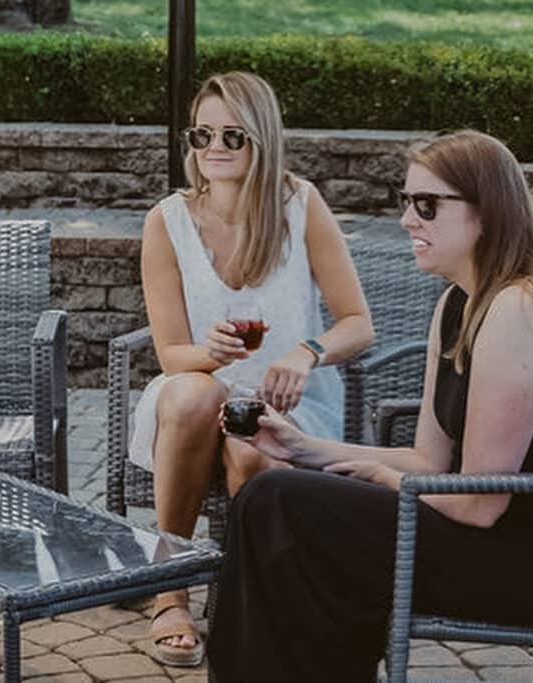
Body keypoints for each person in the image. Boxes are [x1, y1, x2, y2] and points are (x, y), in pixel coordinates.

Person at [207, 129, 533, 682]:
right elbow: (429, 461)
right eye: (406, 202)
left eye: (427, 205)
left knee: (277, 502)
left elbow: (480, 505)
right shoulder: (461, 301)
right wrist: (305, 449)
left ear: (488, 211)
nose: (408, 220)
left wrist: (381, 479)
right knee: (280, 496)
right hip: (476, 534)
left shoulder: (521, 308)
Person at [130, 71, 374, 667]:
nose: (212, 147)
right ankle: (171, 589)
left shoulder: (300, 204)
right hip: (195, 395)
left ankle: (249, 603)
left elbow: (357, 322)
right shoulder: (168, 221)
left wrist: (306, 351)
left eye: (231, 135)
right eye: (201, 134)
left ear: (260, 138)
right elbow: (171, 356)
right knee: (191, 394)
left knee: (251, 454)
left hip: (288, 401)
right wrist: (211, 355)